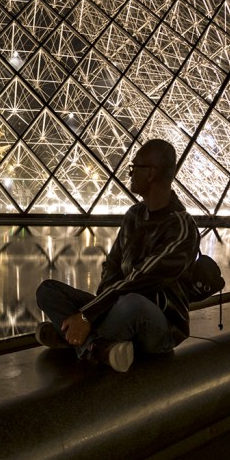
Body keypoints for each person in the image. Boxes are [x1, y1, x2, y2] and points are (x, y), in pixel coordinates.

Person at [33, 138, 199, 372]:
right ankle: (97, 347)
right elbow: (111, 267)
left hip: (160, 324)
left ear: (151, 173)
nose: (129, 173)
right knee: (48, 291)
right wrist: (95, 311)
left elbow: (139, 280)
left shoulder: (181, 228)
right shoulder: (133, 215)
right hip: (117, 306)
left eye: (135, 167)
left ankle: (72, 339)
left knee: (131, 303)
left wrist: (87, 316)